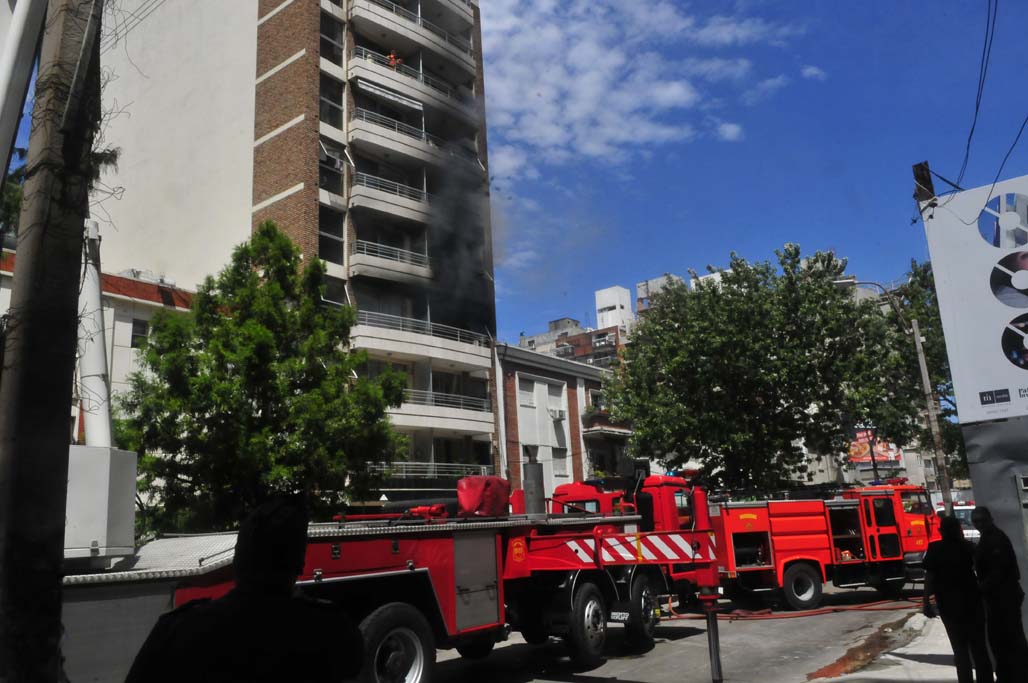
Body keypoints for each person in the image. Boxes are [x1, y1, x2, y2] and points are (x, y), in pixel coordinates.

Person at [126, 498, 363, 682]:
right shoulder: (329, 630)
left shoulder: (178, 629)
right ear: (299, 564)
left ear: (237, 561)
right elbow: (353, 665)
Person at [923, 514, 993, 683]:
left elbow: (929, 577)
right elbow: (983, 571)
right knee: (979, 648)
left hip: (949, 606)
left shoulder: (934, 549)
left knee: (960, 651)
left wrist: (926, 602)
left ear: (941, 531)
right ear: (958, 530)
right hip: (972, 603)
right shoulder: (969, 547)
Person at [972, 506, 1028, 683]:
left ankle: (1014, 675)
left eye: (981, 520)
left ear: (989, 519)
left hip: (1004, 597)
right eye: (976, 522)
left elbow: (998, 571)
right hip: (999, 597)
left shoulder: (995, 539)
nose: (979, 524)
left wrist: (980, 588)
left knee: (1007, 639)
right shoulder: (988, 538)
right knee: (1004, 639)